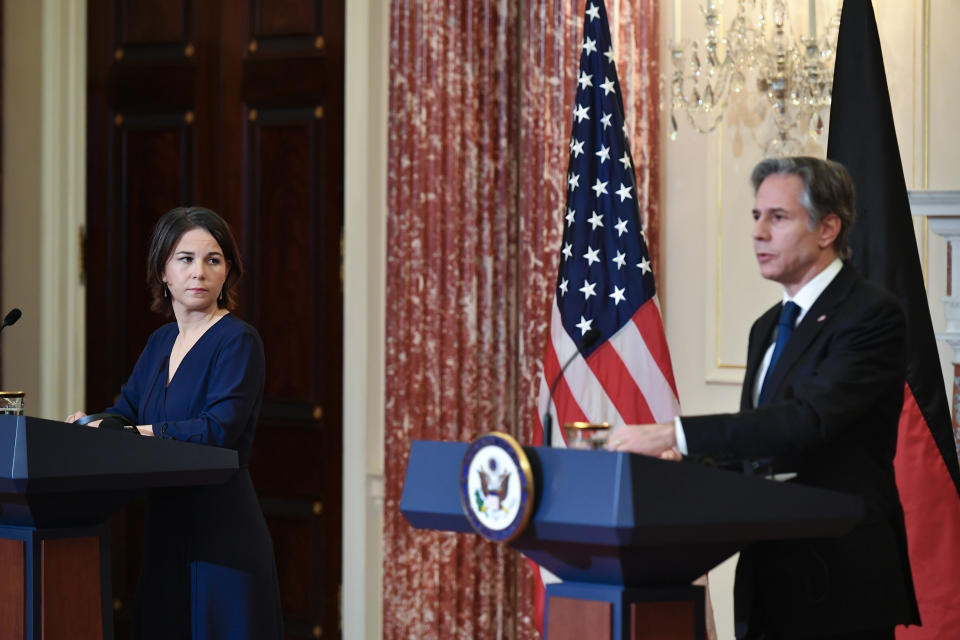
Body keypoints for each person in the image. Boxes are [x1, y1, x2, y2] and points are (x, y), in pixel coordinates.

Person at [606, 157, 920, 639]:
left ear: (827, 228)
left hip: (839, 580)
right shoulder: (767, 327)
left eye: (778, 217)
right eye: (756, 217)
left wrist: (678, 433)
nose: (758, 233)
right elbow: (760, 450)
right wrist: (681, 466)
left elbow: (808, 421)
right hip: (768, 574)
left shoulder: (872, 315)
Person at [67, 206, 283, 639]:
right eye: (185, 259)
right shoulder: (161, 341)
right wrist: (90, 422)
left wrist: (135, 434)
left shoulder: (238, 340)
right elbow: (126, 409)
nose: (198, 272)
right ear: (163, 270)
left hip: (223, 531)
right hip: (165, 530)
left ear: (228, 273)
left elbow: (216, 430)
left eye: (213, 260)